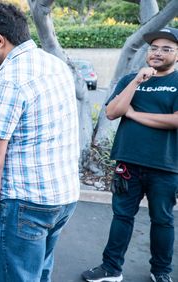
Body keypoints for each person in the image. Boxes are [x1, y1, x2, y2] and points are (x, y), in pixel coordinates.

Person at [0, 3, 80, 282]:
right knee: (40, 274)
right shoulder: (56, 65)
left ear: (0, 40)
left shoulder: (7, 81)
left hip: (26, 205)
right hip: (64, 196)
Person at [82, 27, 178, 282]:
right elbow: (113, 112)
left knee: (163, 220)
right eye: (154, 48)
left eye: (166, 48)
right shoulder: (130, 80)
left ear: (177, 54)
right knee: (122, 217)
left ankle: (161, 272)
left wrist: (134, 114)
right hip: (128, 162)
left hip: (165, 165)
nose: (158, 53)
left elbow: (175, 120)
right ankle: (111, 269)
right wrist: (136, 81)